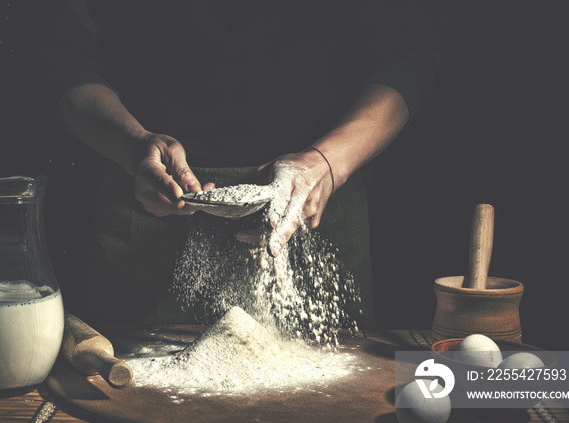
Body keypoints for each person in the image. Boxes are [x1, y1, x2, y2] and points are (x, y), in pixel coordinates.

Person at [36, 1, 443, 329]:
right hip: (150, 203)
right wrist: (133, 144)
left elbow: (408, 52)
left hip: (314, 199)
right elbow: (65, 57)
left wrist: (327, 162)